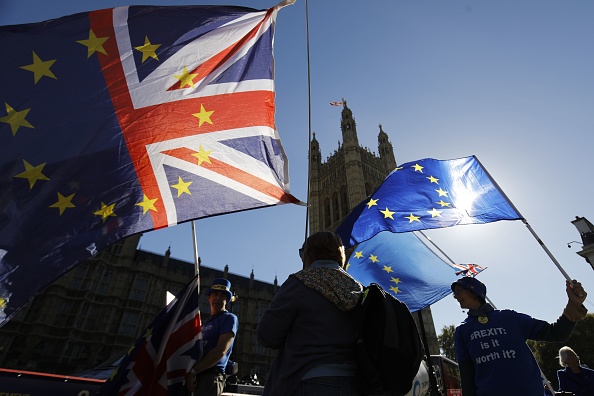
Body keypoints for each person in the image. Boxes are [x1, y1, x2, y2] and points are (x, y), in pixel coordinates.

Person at [257, 231, 363, 396]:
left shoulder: (300, 282)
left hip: (307, 378)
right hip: (354, 382)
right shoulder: (357, 288)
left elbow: (266, 335)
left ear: (308, 254)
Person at [451, 277, 587, 396]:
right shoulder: (462, 331)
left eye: (458, 291)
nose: (455, 296)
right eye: (454, 293)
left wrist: (574, 304)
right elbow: (466, 377)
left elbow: (556, 333)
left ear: (473, 291)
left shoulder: (509, 317)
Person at [186, 278, 238, 396]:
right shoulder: (206, 323)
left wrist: (194, 371)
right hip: (196, 375)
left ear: (227, 300)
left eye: (222, 295)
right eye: (215, 294)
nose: (218, 298)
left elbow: (220, 351)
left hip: (210, 377)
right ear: (209, 297)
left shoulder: (229, 318)